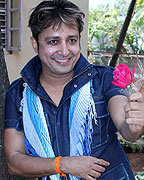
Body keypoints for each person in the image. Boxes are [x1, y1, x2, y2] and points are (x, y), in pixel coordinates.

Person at [4, 0, 144, 180]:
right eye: (53, 41)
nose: (64, 51)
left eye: (71, 40)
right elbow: (14, 161)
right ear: (35, 43)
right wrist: (63, 164)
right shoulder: (19, 94)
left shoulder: (104, 80)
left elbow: (126, 128)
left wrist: (135, 123)